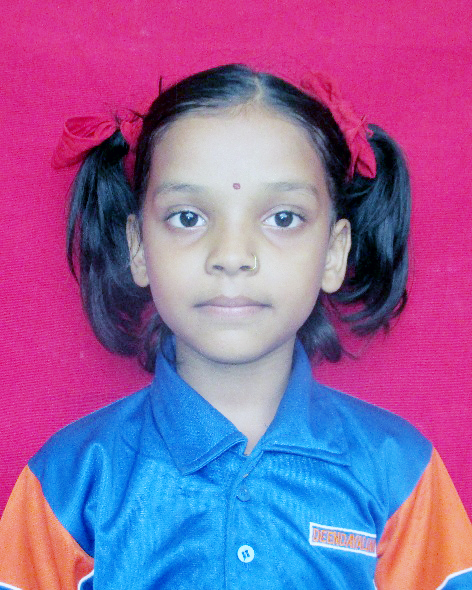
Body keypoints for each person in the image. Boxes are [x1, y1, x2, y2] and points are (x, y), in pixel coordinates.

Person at [0, 64, 471, 589]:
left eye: (283, 218)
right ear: (138, 248)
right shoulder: (69, 481)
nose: (231, 255)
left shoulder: (400, 474)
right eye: (188, 217)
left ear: (334, 252)